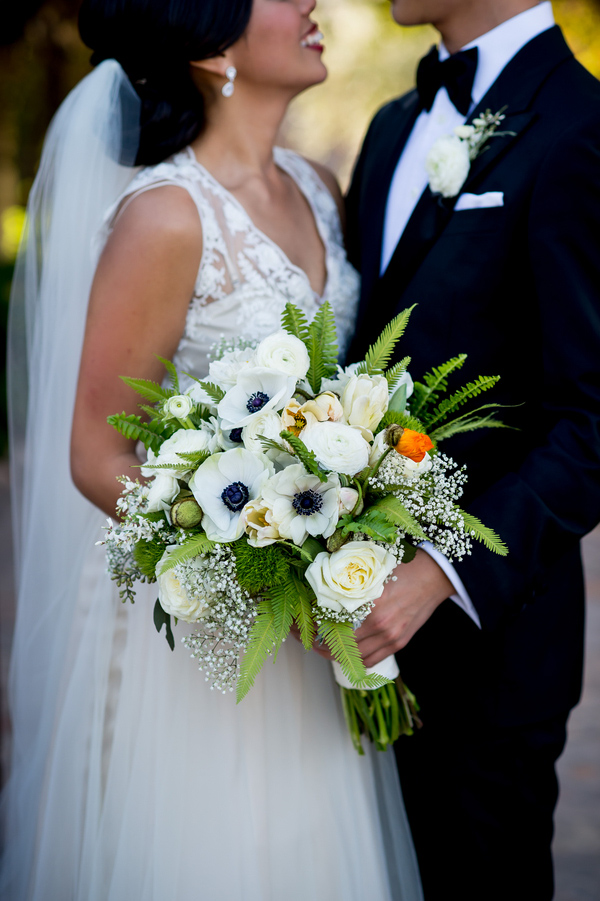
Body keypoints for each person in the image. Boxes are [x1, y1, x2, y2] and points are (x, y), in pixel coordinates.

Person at [1, 1, 424, 899]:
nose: (311, 3)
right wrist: (261, 568)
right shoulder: (165, 216)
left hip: (313, 634)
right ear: (211, 45)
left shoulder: (318, 187)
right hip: (205, 637)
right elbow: (91, 451)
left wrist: (338, 543)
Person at [343, 1, 600, 898]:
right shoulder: (388, 132)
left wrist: (438, 572)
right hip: (354, 643)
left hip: (494, 662)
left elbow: (592, 421)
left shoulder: (580, 127)